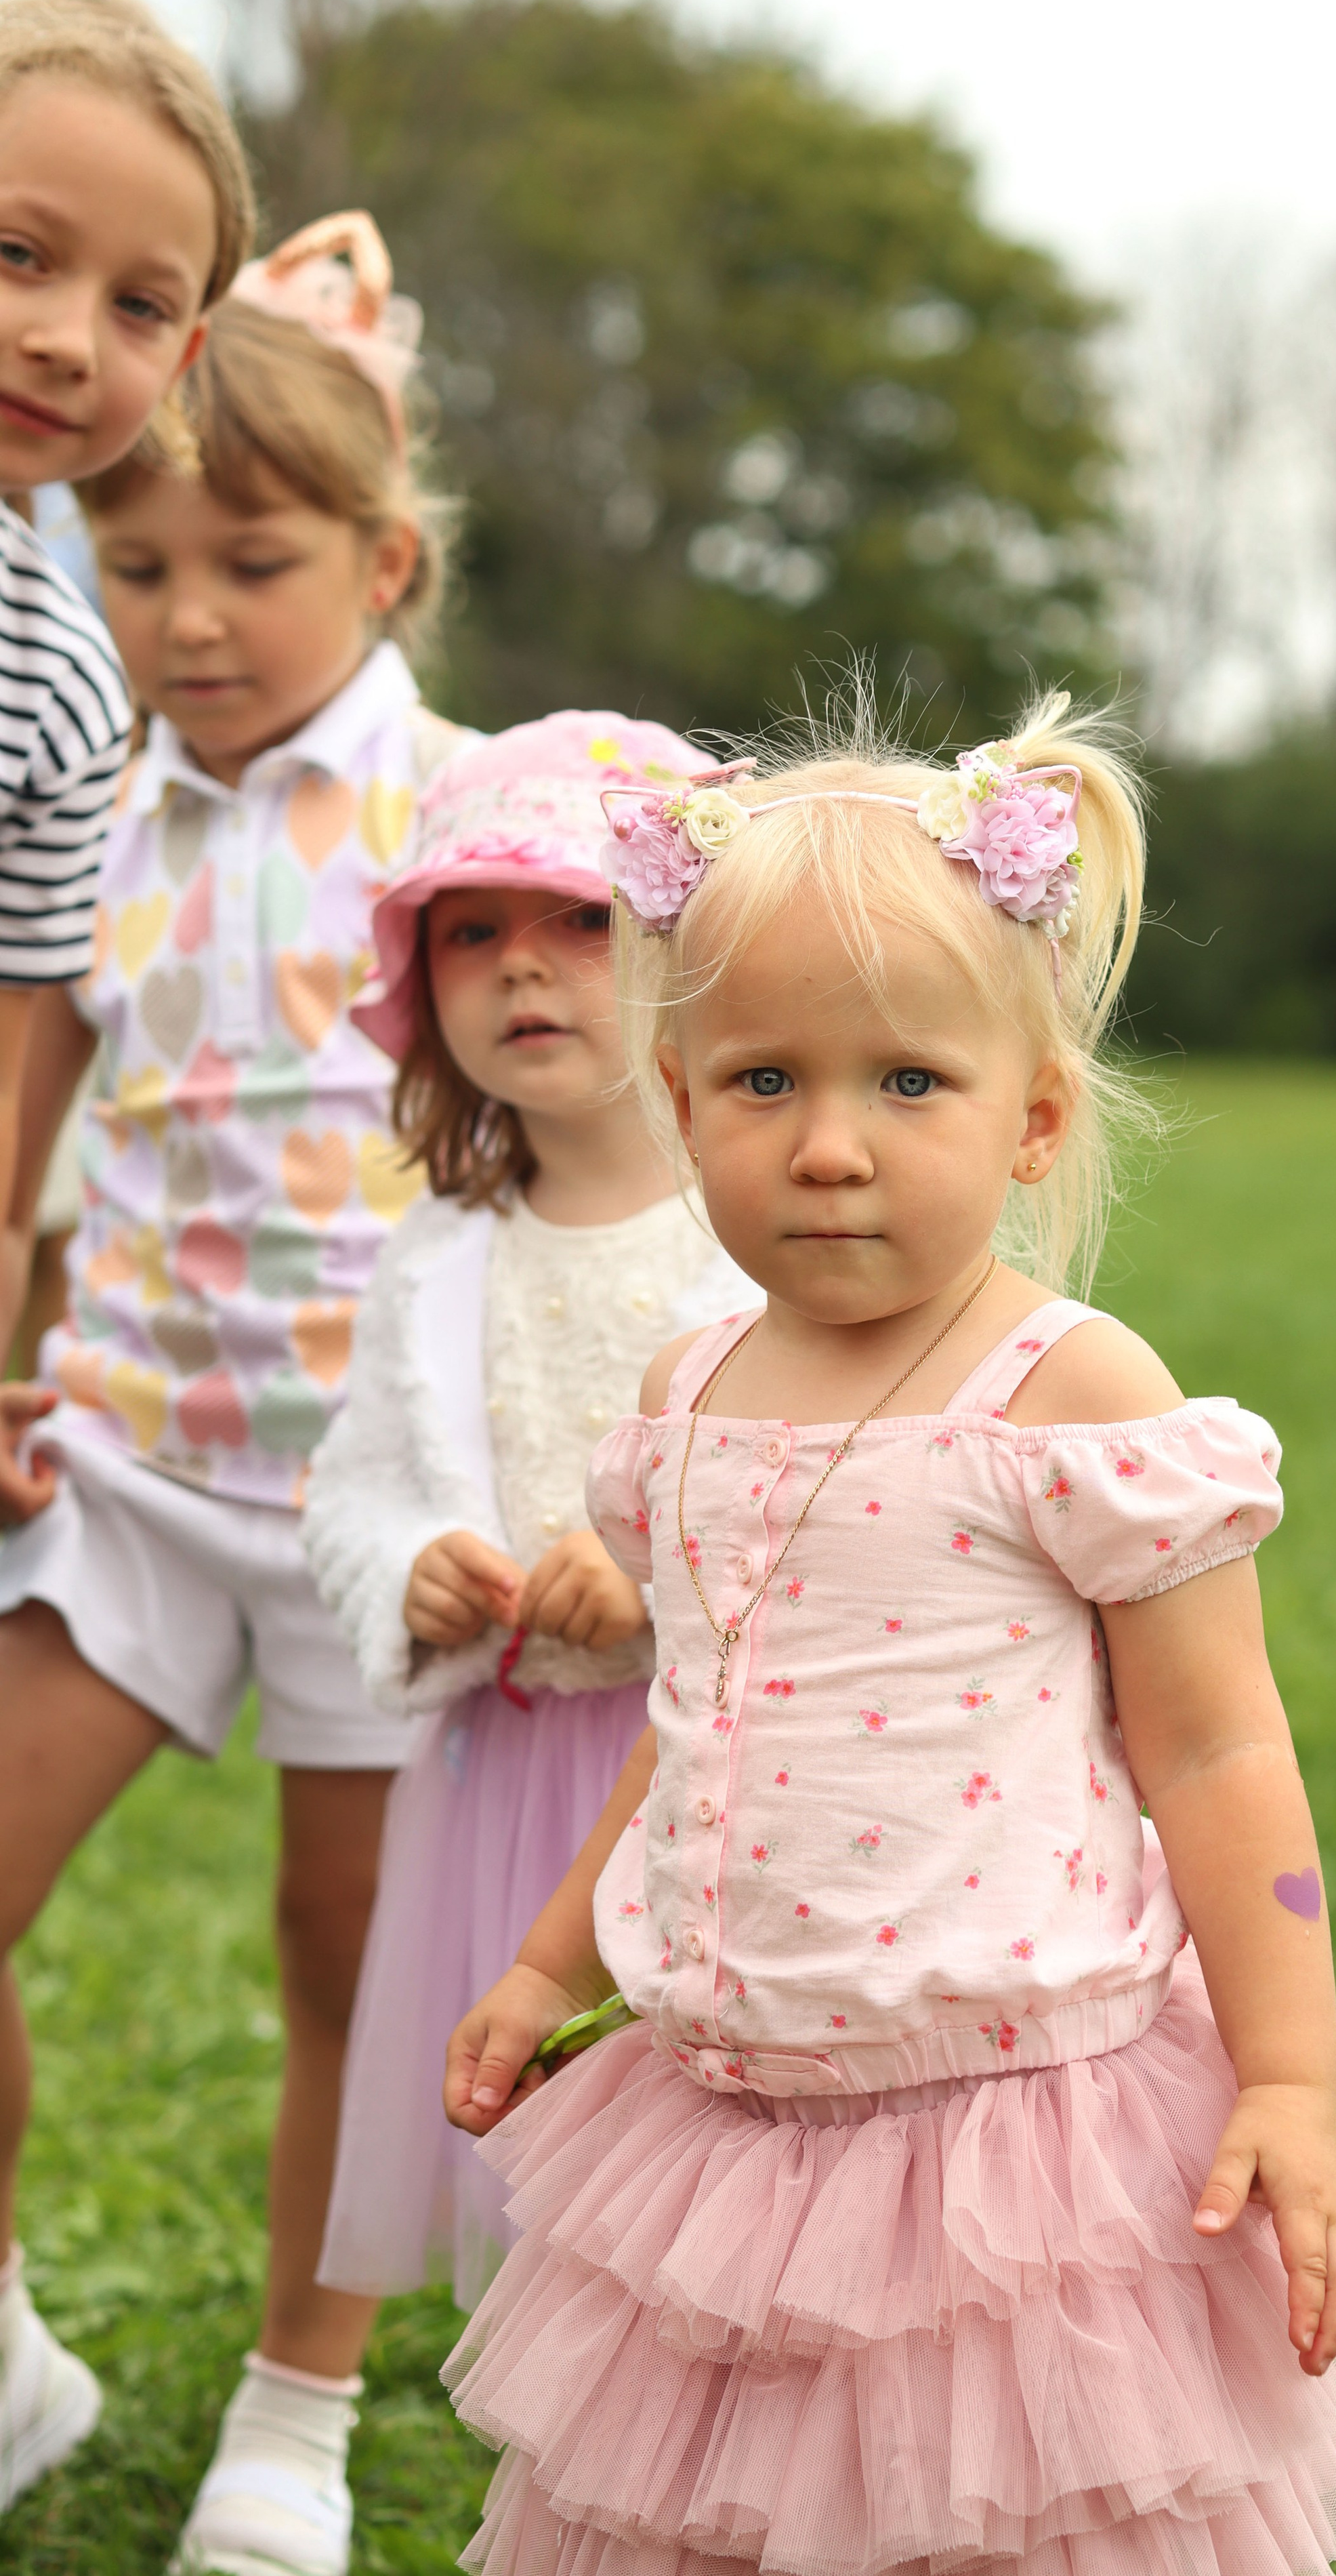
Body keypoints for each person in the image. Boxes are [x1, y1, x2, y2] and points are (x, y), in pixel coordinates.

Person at [440, 697, 1336, 2576]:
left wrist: (1291, 2077)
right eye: (762, 1084)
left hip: (1014, 2134)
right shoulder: (690, 1391)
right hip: (728, 2114)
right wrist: (551, 1959)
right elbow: (698, 1710)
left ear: (1034, 1112)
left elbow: (1221, 1753)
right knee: (710, 2506)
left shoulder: (1071, 1395)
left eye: (907, 1083)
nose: (829, 1149)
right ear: (678, 1102)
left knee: (1007, 2512)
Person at [0, 217, 467, 2574]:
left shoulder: (473, 823)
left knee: (348, 1959)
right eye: (136, 554)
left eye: (253, 563)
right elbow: (16, 1116)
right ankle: (1, 2348)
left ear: (384, 564)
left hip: (388, 1515)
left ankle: (297, 2410)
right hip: (126, 1465)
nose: (187, 614)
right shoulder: (81, 816)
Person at [304, 712, 761, 2318]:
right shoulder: (440, 1253)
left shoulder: (757, 1230)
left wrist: (654, 1565)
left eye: (581, 919)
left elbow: (861, 1479)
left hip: (715, 1779)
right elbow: (355, 1486)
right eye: (471, 932)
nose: (521, 969)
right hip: (504, 1788)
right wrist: (408, 1566)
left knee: (725, 2150)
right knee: (559, 2163)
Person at [0, 0, 255, 1347]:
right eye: (17, 250)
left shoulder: (66, 683)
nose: (66, 337)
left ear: (184, 359)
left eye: (139, 306)